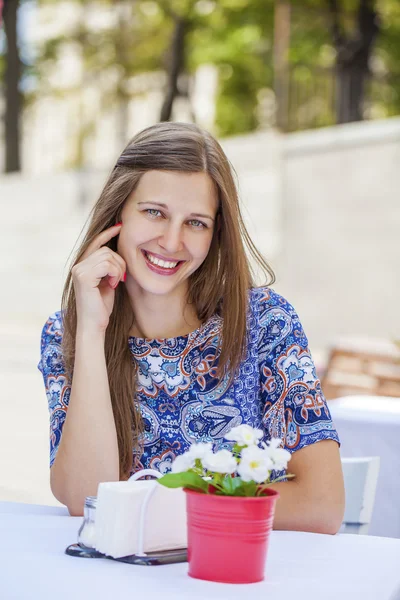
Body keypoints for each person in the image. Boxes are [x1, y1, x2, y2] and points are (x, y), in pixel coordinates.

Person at [38, 122, 344, 530]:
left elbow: (321, 504)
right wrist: (93, 333)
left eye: (196, 222)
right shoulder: (67, 333)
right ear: (117, 214)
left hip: (234, 576)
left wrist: (154, 510)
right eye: (154, 212)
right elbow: (86, 497)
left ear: (215, 234)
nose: (171, 240)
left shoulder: (265, 322)